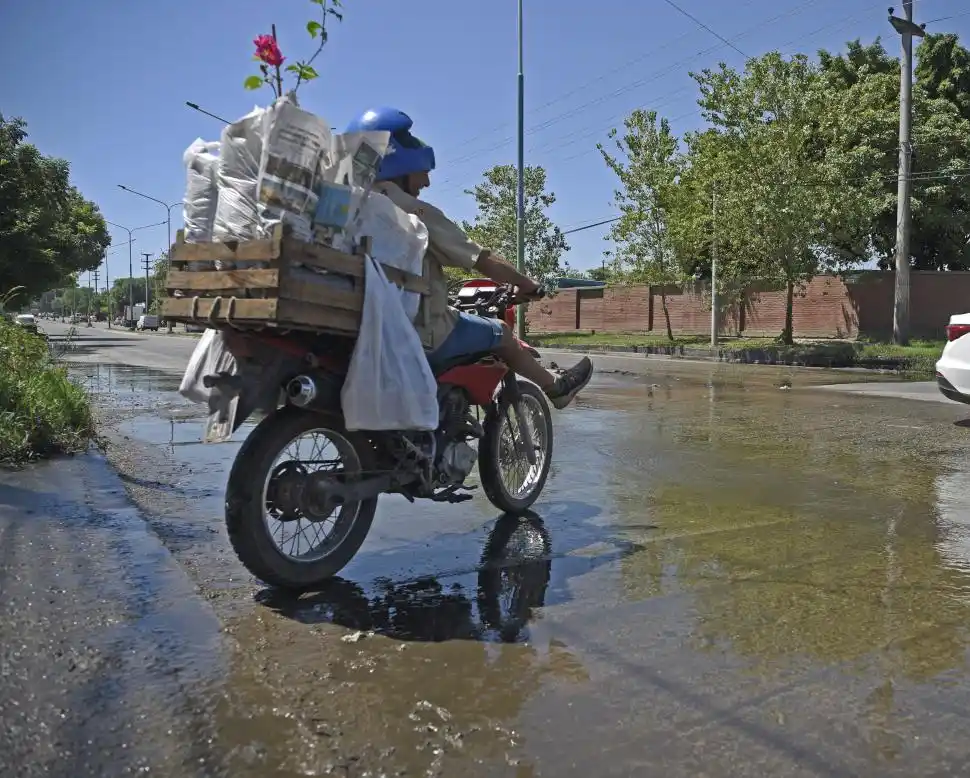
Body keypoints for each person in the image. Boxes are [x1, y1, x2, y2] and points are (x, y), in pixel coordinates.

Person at [345, 107, 593, 410]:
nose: (426, 182)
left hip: (356, 331)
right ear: (400, 164)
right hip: (418, 334)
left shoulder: (346, 209)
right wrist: (526, 284)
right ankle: (557, 389)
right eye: (422, 172)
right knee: (500, 333)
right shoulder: (412, 213)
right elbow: (482, 259)